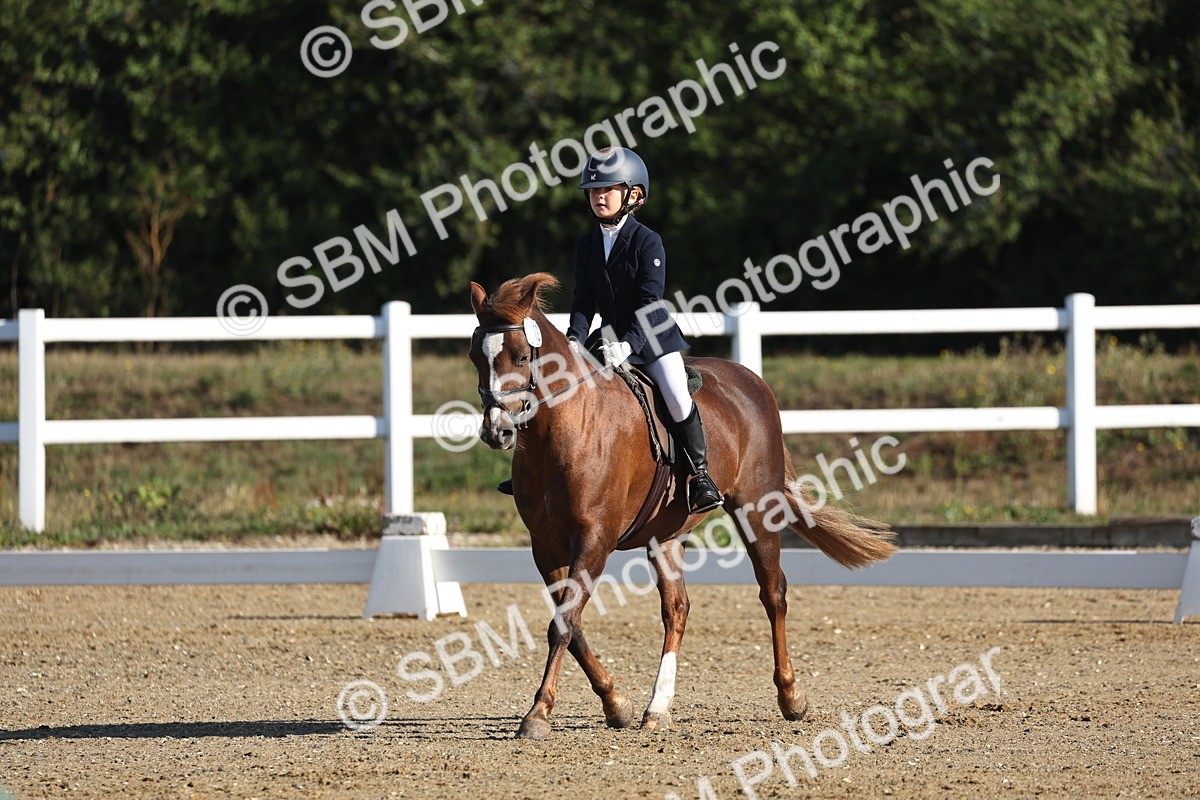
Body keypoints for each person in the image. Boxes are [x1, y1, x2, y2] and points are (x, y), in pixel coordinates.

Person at [497, 146, 722, 514]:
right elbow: (584, 300)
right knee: (551, 383)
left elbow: (651, 303)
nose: (598, 196)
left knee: (678, 397)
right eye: (593, 190)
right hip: (608, 335)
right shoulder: (586, 244)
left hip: (652, 337)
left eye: (607, 189)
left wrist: (629, 345)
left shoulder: (648, 241)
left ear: (633, 194)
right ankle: (530, 471)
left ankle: (700, 475)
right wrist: (574, 339)